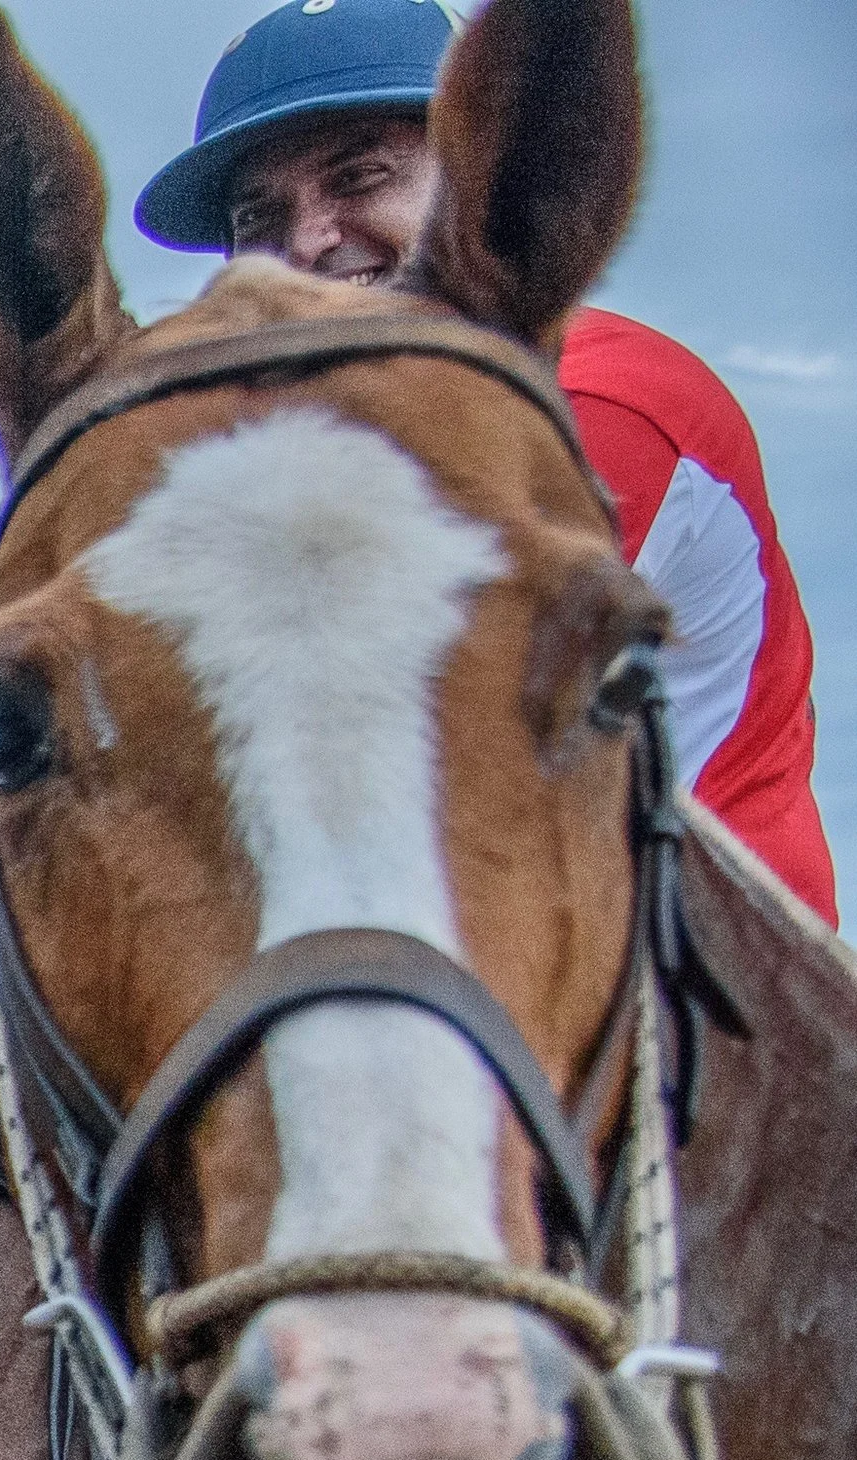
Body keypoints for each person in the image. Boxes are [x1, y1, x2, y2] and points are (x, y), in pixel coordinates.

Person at [134, 0, 838, 926]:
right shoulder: (315, 439)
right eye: (259, 215)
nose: (306, 243)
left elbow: (390, 754)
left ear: (488, 181)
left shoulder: (598, 405)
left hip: (710, 997)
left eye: (360, 175)